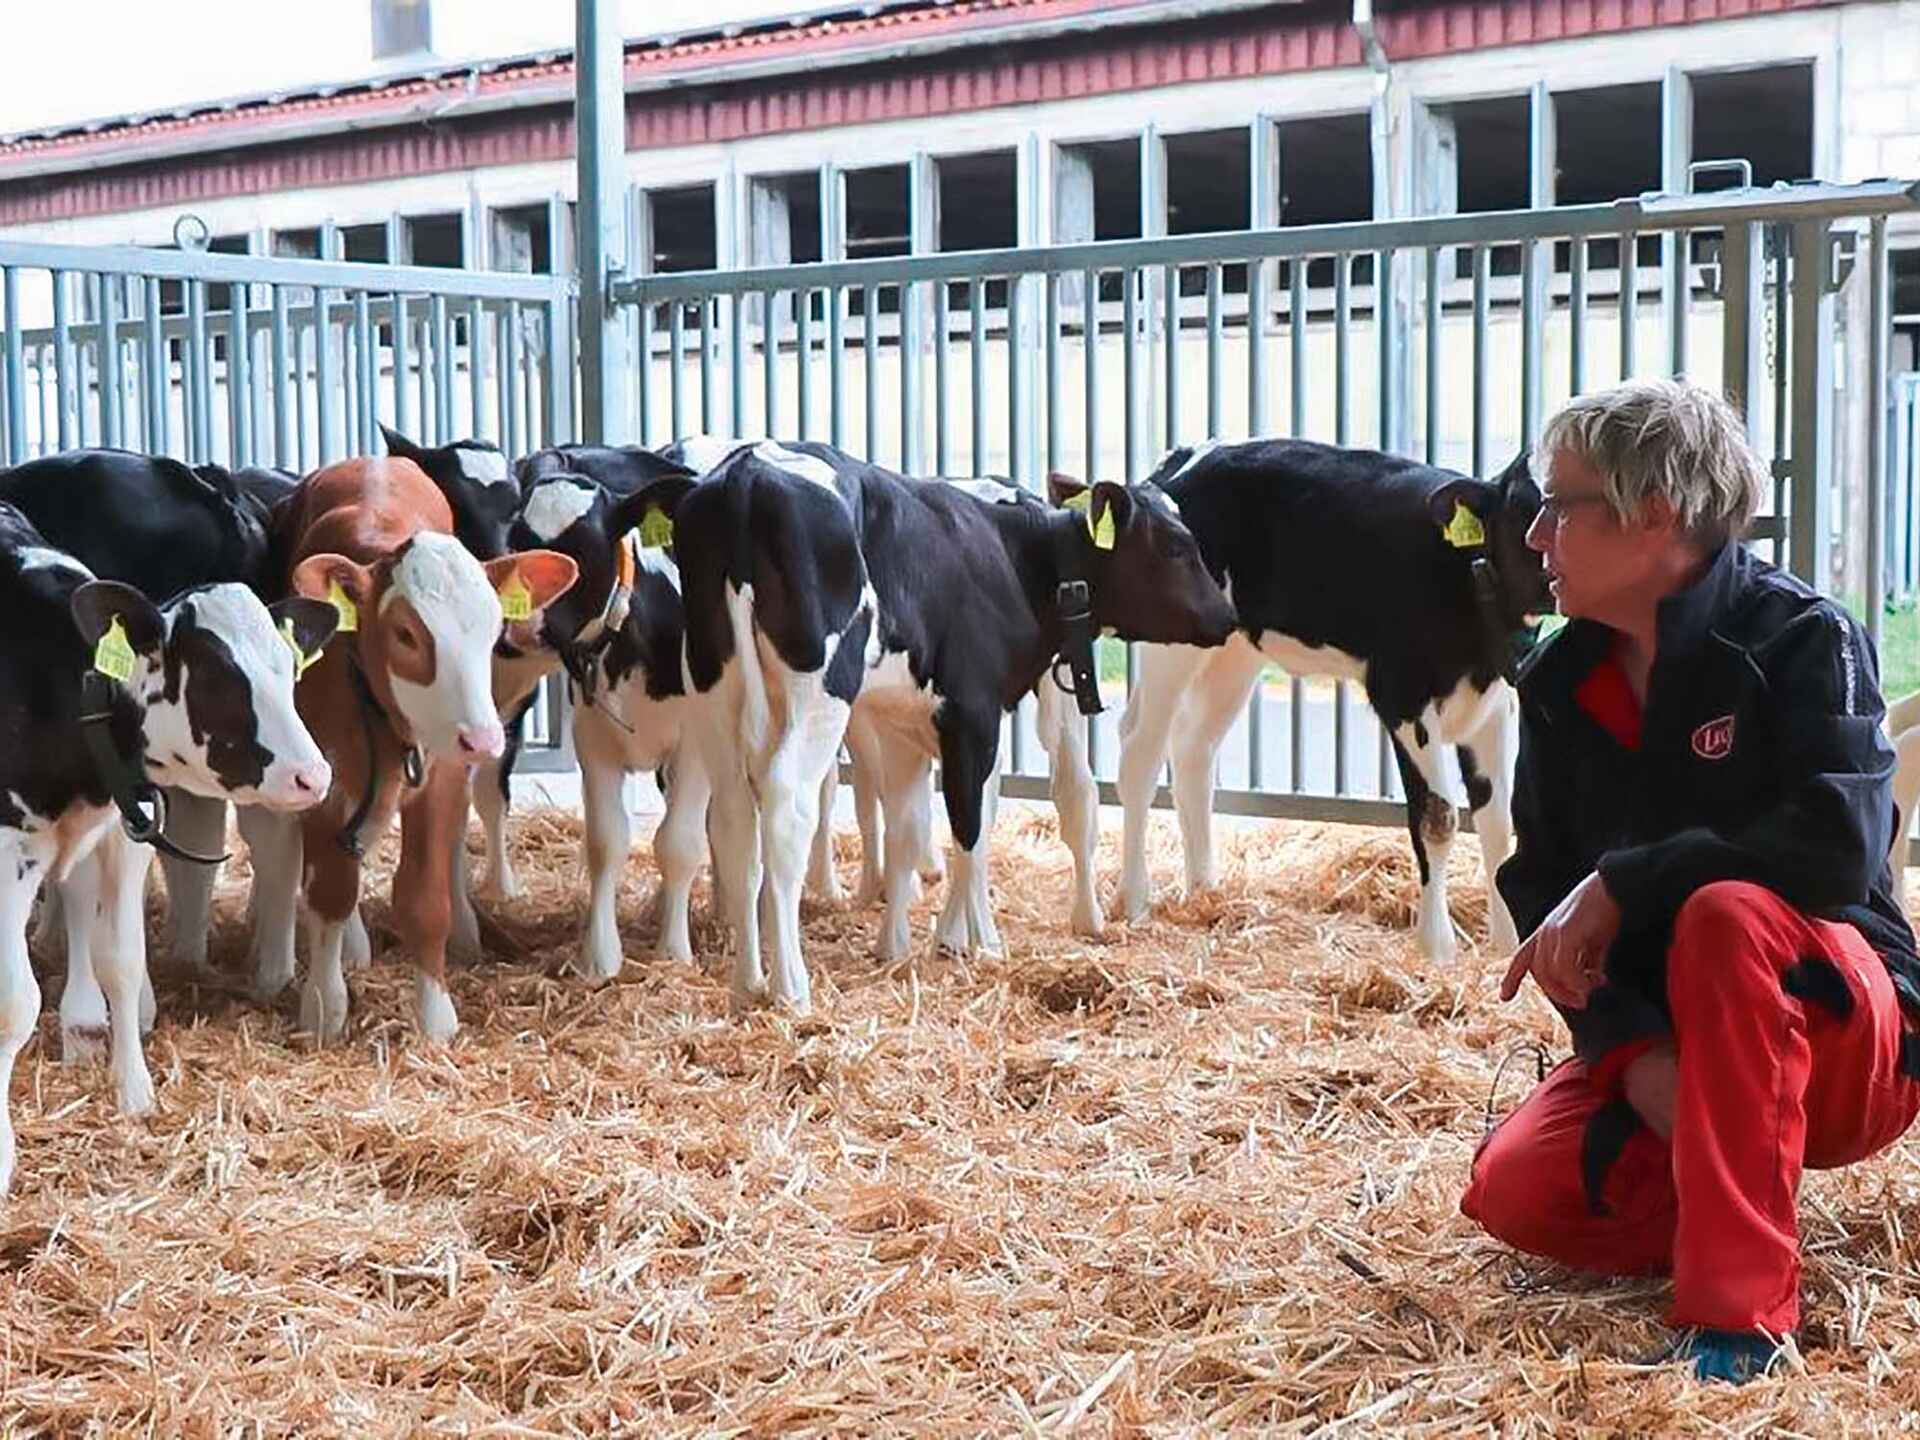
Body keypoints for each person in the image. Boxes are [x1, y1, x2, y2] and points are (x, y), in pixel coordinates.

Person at [1461, 378, 1920, 1383]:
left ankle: (1739, 1324)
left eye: (1560, 506)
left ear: (1655, 514)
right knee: (1515, 1190)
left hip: (1850, 1035)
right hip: (1680, 1038)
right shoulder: (1558, 682)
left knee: (1726, 914)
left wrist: (1630, 882)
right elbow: (1542, 885)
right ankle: (1740, 1180)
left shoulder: (1803, 636)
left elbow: (1841, 849)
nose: (1534, 535)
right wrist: (1630, 1052)